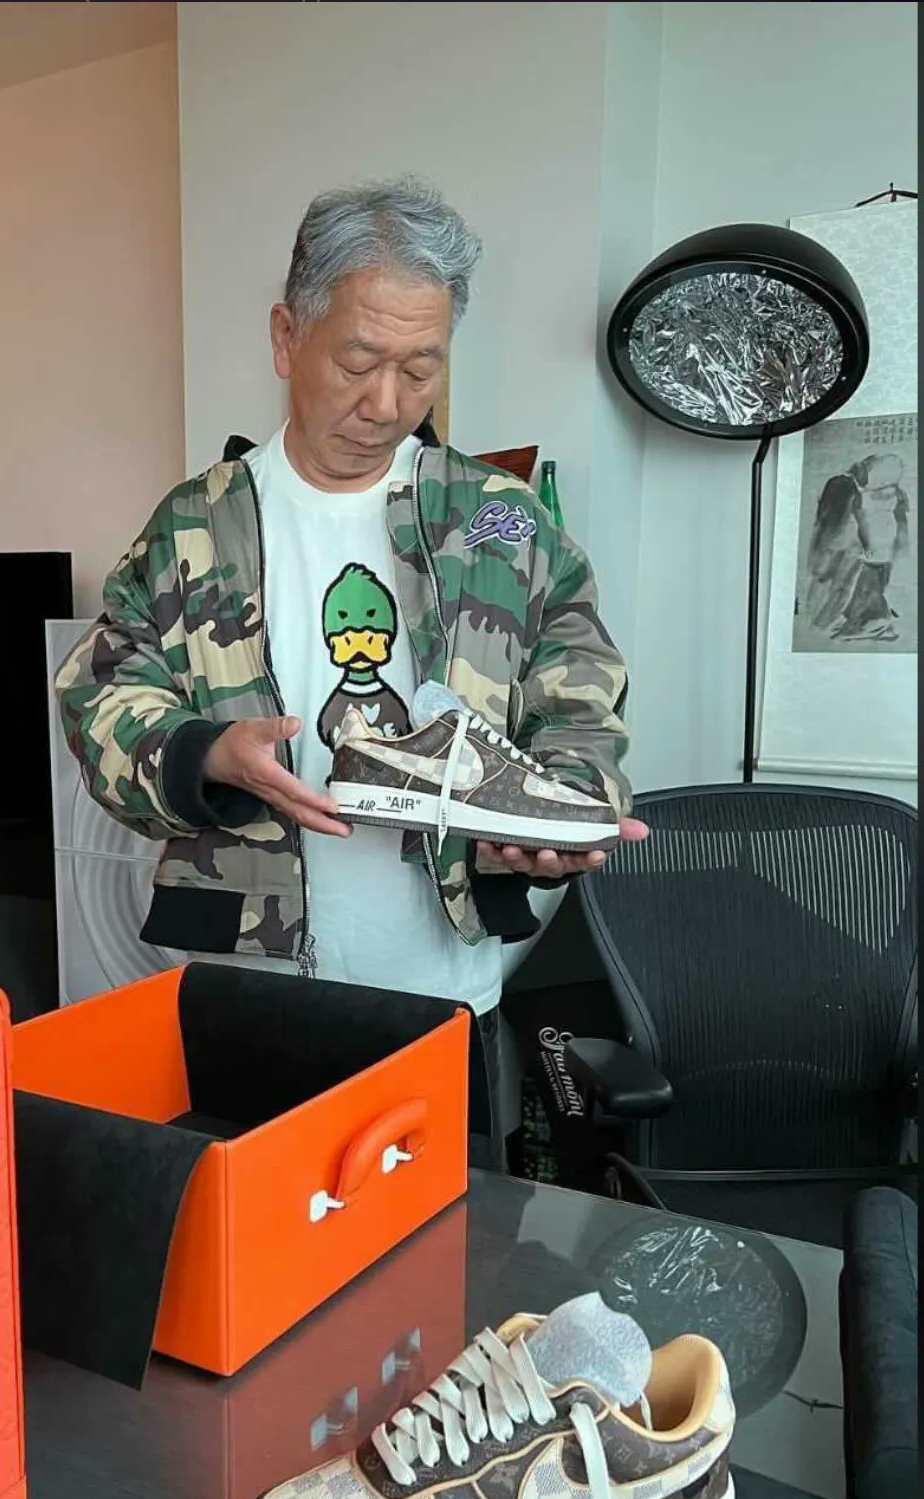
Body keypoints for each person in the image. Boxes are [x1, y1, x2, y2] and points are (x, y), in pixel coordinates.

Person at [57, 178, 646, 1168]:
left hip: (443, 993)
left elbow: (579, 678)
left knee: (440, 1250)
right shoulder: (197, 524)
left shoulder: (496, 517)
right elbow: (100, 689)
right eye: (359, 361)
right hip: (249, 991)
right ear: (287, 337)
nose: (387, 404)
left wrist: (562, 806)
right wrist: (205, 754)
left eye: (421, 368)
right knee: (264, 1247)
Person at [803, 452, 910, 644]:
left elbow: (860, 520)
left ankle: (868, 622)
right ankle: (864, 621)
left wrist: (867, 542)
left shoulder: (867, 493)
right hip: (874, 547)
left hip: (873, 547)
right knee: (865, 583)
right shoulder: (872, 492)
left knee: (866, 583)